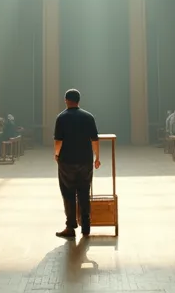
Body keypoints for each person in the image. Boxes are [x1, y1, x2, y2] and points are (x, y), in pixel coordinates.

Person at [53, 88, 100, 239]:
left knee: (68, 194)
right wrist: (97, 157)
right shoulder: (88, 117)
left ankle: (70, 226)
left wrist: (56, 154)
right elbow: (95, 140)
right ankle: (86, 227)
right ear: (79, 100)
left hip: (67, 161)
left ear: (66, 100)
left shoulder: (61, 118)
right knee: (84, 193)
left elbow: (58, 141)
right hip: (85, 160)